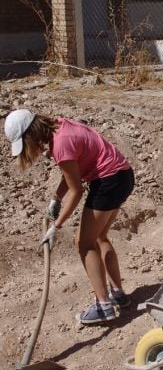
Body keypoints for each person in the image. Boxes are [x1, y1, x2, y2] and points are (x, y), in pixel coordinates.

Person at [4, 109, 135, 325]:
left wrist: (56, 226)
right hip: (122, 175)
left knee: (84, 243)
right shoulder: (60, 127)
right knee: (100, 237)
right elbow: (74, 171)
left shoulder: (61, 144)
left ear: (31, 134)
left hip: (108, 182)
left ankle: (104, 307)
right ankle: (118, 295)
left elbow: (76, 191)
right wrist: (56, 198)